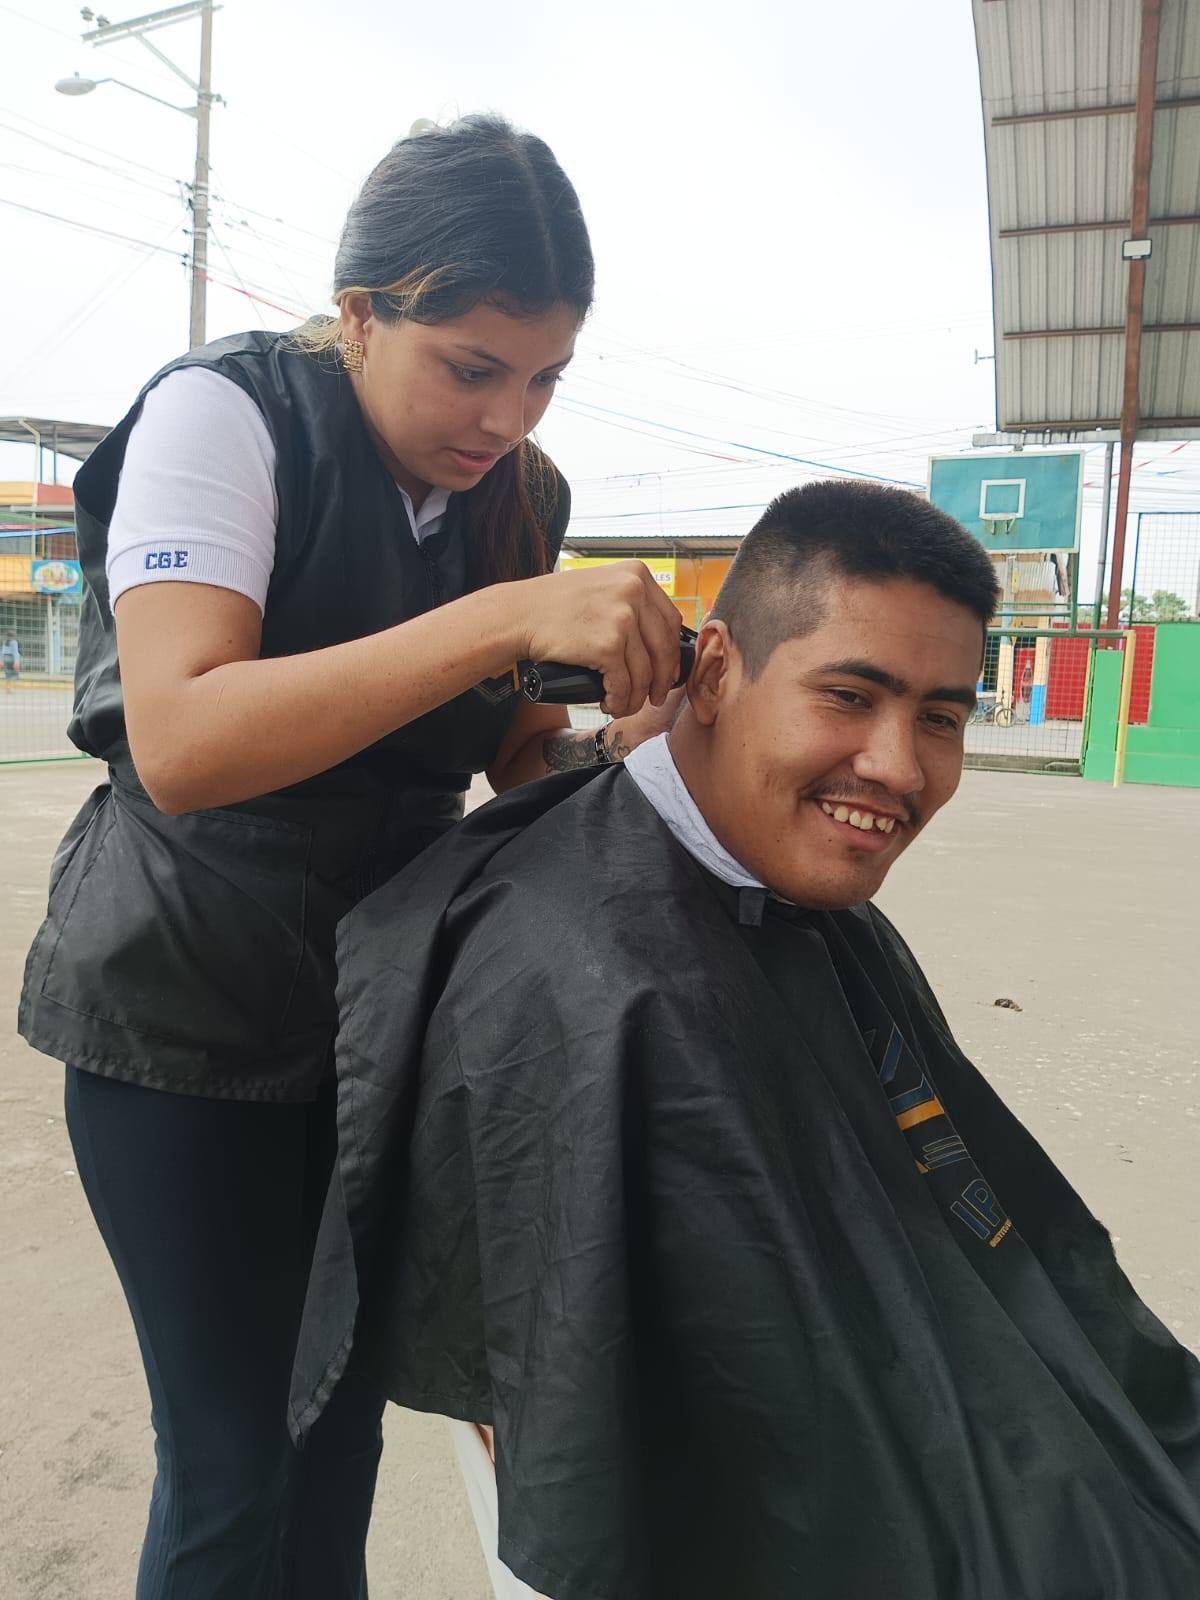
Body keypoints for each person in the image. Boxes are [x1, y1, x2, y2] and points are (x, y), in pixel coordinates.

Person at [292, 480, 1200, 1600]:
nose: (899, 767)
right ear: (714, 673)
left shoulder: (798, 896)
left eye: (941, 718)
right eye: (849, 695)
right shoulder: (574, 977)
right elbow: (559, 1408)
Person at [19, 114, 685, 1600]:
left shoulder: (521, 496)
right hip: (181, 1015)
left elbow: (517, 754)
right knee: (234, 1458)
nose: (506, 416)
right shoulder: (225, 414)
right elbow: (182, 740)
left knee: (340, 1436)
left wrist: (626, 752)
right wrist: (503, 618)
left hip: (378, 1017)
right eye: (472, 365)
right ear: (362, 312)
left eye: (546, 377)